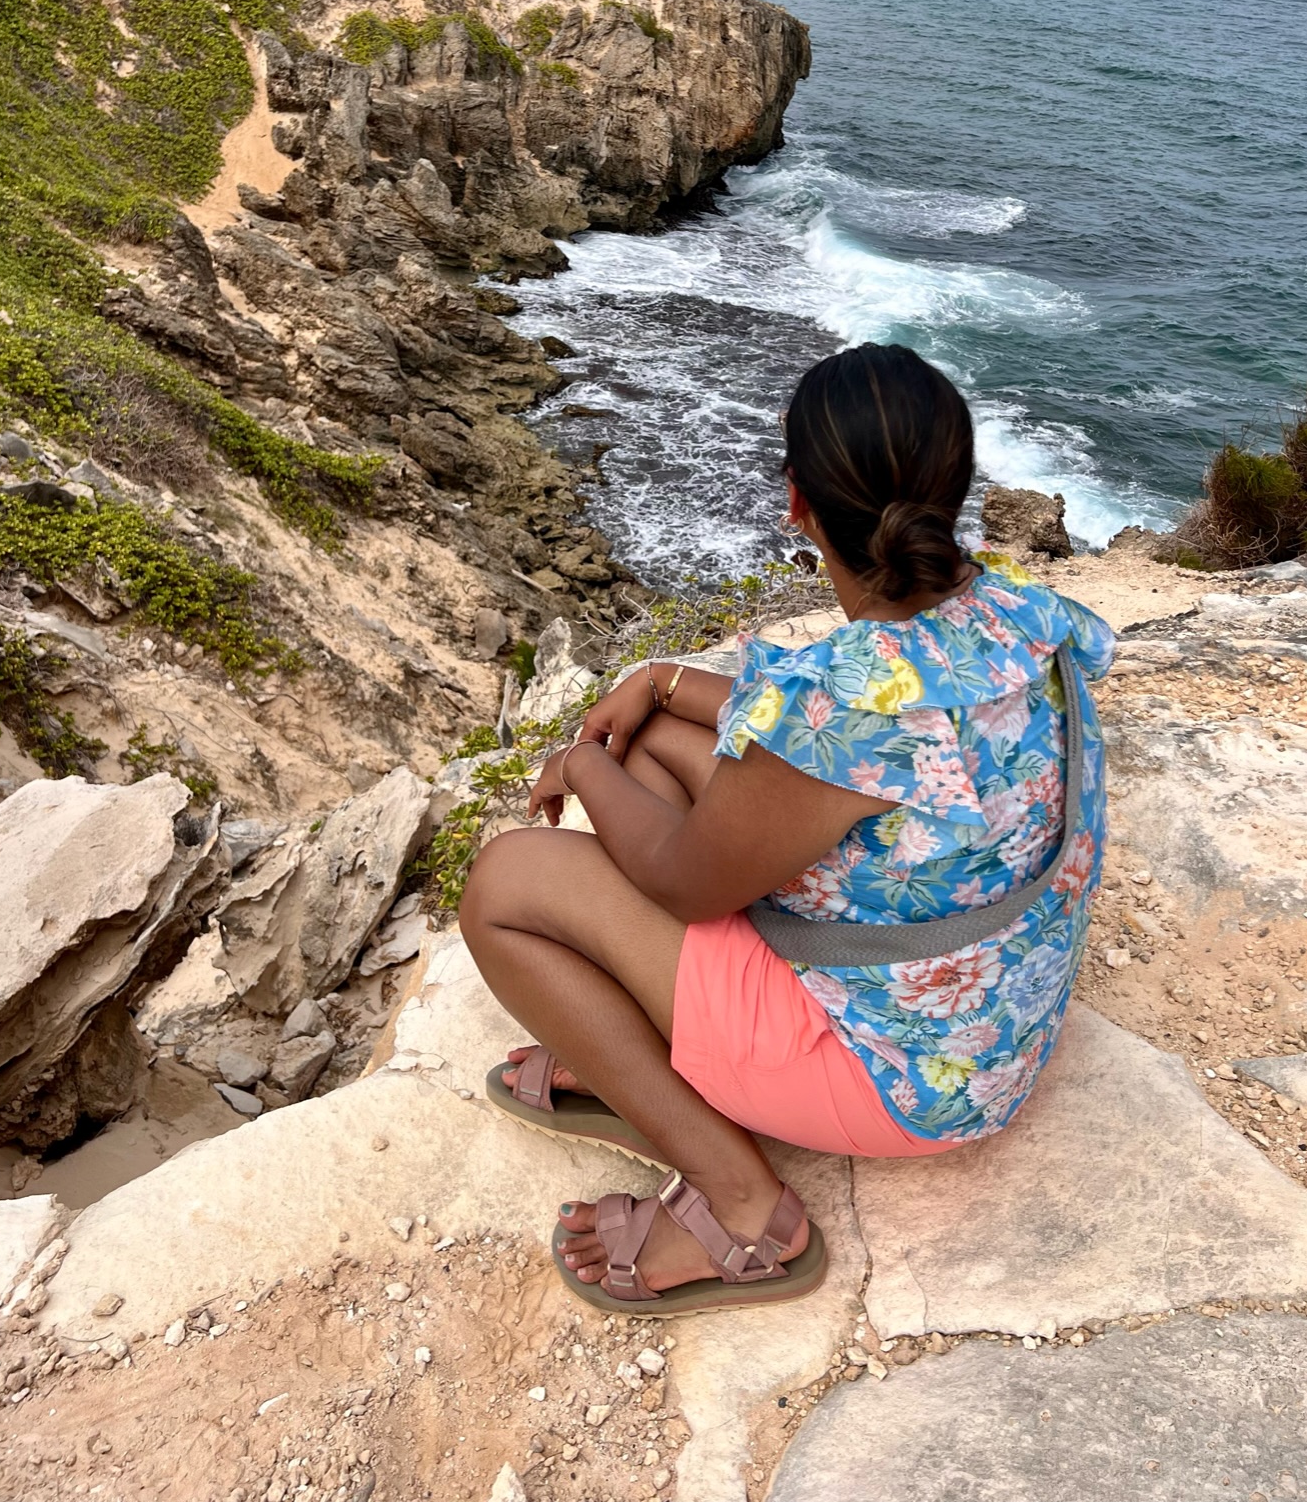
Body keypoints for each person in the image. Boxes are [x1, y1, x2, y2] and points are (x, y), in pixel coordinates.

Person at [459, 342, 1115, 1316]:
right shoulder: (1025, 613)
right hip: (992, 1014)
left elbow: (688, 882)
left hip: (903, 1075)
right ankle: (644, 1067)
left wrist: (583, 762)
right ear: (956, 486)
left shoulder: (846, 707)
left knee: (504, 890)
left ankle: (741, 1206)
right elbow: (848, 731)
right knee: (659, 745)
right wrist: (664, 684)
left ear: (797, 503)